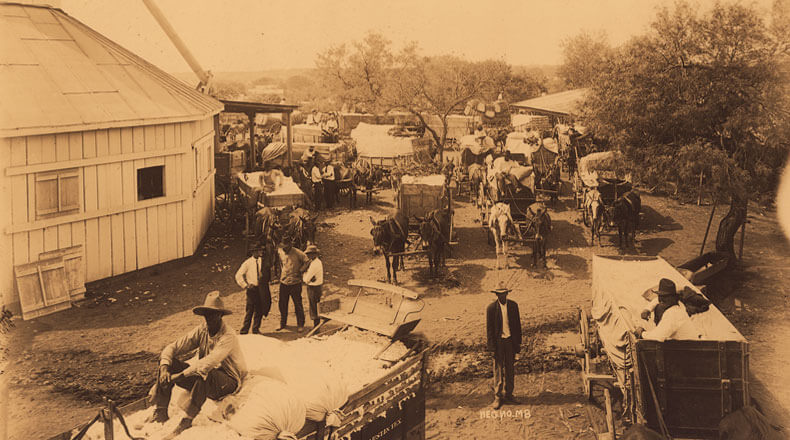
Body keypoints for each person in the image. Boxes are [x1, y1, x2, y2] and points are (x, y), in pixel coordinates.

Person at [147, 291, 246, 438]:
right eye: (206, 314)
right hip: (204, 376)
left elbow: (208, 362)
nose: (208, 319)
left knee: (205, 372)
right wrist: (165, 369)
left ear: (220, 315)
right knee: (169, 362)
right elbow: (173, 347)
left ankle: (187, 419)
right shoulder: (202, 330)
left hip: (227, 381)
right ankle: (161, 411)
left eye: (212, 315)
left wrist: (179, 376)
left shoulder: (228, 336)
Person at [486, 281, 522, 409]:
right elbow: (489, 330)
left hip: (510, 341)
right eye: (499, 294)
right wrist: (491, 348)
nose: (501, 296)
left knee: (510, 368)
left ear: (507, 293)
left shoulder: (513, 306)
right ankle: (498, 396)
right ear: (496, 295)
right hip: (498, 342)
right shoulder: (491, 309)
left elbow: (517, 326)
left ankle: (509, 394)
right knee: (498, 369)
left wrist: (517, 345)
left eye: (503, 294)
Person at [635, 278, 702, 341]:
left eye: (665, 296)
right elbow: (657, 301)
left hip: (688, 351)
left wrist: (642, 333)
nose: (661, 299)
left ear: (673, 297)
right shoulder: (676, 308)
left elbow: (657, 336)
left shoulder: (673, 313)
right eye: (660, 296)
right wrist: (648, 309)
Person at [234, 247, 272, 334]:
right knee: (250, 310)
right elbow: (238, 275)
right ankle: (244, 330)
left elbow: (267, 273)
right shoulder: (247, 263)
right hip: (252, 289)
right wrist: (245, 285)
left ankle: (256, 329)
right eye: (259, 251)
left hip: (261, 288)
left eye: (261, 250)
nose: (261, 252)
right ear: (254, 252)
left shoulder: (262, 261)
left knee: (259, 309)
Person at [276, 236, 309, 332]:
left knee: (298, 304)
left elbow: (307, 261)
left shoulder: (298, 253)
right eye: (283, 246)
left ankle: (300, 324)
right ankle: (283, 323)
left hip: (295, 282)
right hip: (284, 282)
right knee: (282, 304)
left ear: (290, 244)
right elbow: (280, 263)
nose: (284, 248)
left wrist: (301, 270)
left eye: (286, 246)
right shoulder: (280, 251)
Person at [302, 244, 324, 327]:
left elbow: (306, 279)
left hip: (313, 288)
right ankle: (317, 326)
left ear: (314, 254)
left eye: (309, 254)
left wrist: (304, 274)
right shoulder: (317, 262)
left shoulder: (314, 265)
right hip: (318, 287)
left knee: (313, 307)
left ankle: (316, 327)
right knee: (316, 306)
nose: (308, 255)